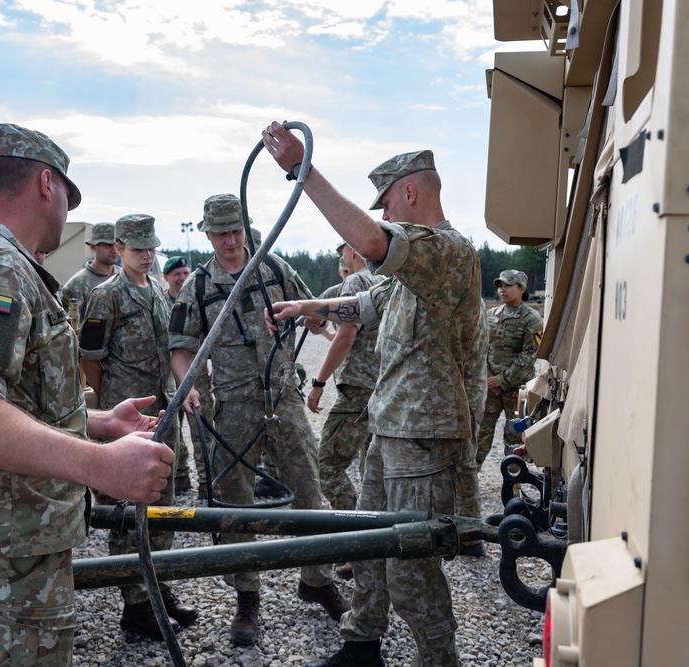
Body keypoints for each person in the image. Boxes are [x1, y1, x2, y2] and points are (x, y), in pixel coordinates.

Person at [0, 122, 174, 667]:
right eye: (66, 198)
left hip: (13, 536)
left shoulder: (8, 266)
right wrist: (98, 465)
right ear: (46, 186)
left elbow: (14, 397)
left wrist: (98, 423)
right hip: (1, 546)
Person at [263, 121, 485, 667]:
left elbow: (368, 241)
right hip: (392, 429)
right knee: (367, 544)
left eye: (386, 203)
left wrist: (301, 170)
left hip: (424, 437)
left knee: (411, 565)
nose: (384, 215)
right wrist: (305, 308)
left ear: (409, 192)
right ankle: (362, 644)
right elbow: (364, 307)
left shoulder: (448, 252)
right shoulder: (411, 275)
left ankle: (439, 660)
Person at [169, 193, 350, 647]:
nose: (231, 241)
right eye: (221, 233)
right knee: (235, 505)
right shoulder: (197, 286)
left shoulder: (273, 268)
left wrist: (307, 318)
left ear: (247, 228)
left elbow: (311, 310)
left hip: (283, 400)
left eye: (237, 231)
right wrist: (188, 383)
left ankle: (316, 579)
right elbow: (181, 347)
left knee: (308, 489)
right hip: (232, 409)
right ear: (207, 234)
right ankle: (247, 595)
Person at [78, 215, 199, 640]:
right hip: (126, 418)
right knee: (129, 512)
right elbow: (90, 356)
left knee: (163, 505)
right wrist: (108, 402)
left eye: (151, 248)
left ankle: (158, 587)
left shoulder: (161, 293)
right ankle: (135, 605)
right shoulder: (105, 296)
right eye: (137, 249)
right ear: (119, 247)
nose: (147, 256)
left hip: (163, 414)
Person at [305, 241, 384, 580]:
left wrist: (319, 381)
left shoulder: (355, 282)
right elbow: (346, 335)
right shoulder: (388, 281)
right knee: (373, 470)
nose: (342, 260)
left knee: (329, 466)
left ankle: (356, 546)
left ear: (354, 251)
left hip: (358, 393)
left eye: (343, 253)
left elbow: (347, 338)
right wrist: (323, 328)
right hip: (384, 389)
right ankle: (378, 543)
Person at [476, 269, 543, 466]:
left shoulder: (532, 319)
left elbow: (530, 355)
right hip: (490, 388)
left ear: (522, 288)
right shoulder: (490, 315)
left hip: (516, 391)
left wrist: (502, 380)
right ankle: (466, 486)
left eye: (508, 285)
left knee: (514, 436)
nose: (502, 290)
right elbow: (481, 348)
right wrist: (490, 378)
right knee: (479, 434)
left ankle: (513, 483)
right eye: (500, 286)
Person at [162, 255, 216, 498]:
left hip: (197, 375)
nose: (183, 278)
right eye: (177, 274)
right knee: (171, 429)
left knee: (202, 429)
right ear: (166, 278)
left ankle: (207, 482)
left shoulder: (196, 299)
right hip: (165, 378)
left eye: (186, 273)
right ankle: (180, 475)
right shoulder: (160, 302)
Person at [61, 221, 118, 320]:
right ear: (93, 247)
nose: (114, 250)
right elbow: (69, 327)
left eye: (116, 245)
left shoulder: (124, 277)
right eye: (108, 245)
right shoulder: (77, 284)